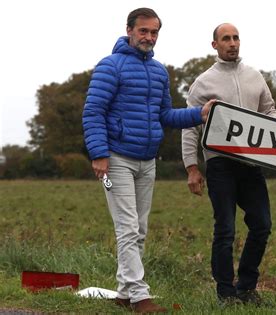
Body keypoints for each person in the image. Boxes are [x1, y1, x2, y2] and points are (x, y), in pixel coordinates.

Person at [82, 8, 215, 314]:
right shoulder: (109, 66)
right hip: (116, 159)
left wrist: (199, 113)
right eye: (143, 31)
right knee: (127, 227)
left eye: (154, 32)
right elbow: (93, 112)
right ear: (129, 30)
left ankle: (125, 293)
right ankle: (140, 296)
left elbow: (165, 116)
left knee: (138, 229)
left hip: (147, 161)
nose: (149, 37)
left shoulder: (158, 72)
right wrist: (99, 154)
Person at [181, 23, 276, 306]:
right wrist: (192, 167)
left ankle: (247, 288)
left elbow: (268, 111)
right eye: (226, 38)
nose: (233, 43)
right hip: (220, 165)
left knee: (262, 224)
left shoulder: (254, 76)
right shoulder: (203, 82)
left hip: (251, 164)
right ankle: (226, 292)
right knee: (225, 229)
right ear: (215, 45)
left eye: (236, 38)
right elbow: (190, 128)